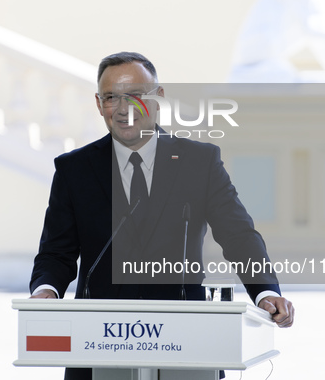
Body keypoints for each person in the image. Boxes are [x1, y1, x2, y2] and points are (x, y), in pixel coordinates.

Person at [29, 52, 294, 379]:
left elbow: (239, 236)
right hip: (99, 345)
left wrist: (266, 292)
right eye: (112, 97)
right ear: (99, 104)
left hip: (187, 343)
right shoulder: (74, 170)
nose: (125, 109)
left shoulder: (200, 162)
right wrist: (46, 290)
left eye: (137, 96)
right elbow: (57, 253)